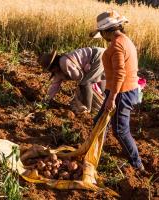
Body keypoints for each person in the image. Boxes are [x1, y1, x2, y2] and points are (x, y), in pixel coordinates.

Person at [90, 10, 145, 171]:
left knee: (120, 130)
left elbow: (120, 73)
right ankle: (93, 154)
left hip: (122, 92)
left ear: (106, 31)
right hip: (120, 90)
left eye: (102, 33)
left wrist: (112, 98)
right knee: (99, 122)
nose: (103, 38)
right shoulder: (125, 40)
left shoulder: (117, 45)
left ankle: (137, 165)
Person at [38, 47, 105, 113]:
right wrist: (45, 101)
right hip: (98, 56)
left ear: (53, 66)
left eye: (50, 69)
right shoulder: (58, 71)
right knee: (101, 80)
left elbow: (79, 77)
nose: (51, 71)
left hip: (97, 56)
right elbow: (54, 87)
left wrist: (78, 96)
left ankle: (87, 109)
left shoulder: (64, 62)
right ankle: (104, 101)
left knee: (86, 83)